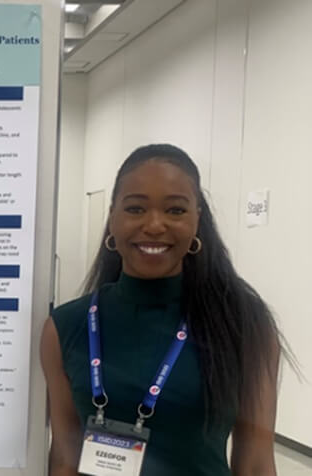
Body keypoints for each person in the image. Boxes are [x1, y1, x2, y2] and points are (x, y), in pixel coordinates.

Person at [41, 144, 285, 475]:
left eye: (175, 210)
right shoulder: (66, 327)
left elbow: (256, 464)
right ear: (112, 217)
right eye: (135, 208)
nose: (155, 225)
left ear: (198, 218)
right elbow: (64, 456)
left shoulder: (244, 324)